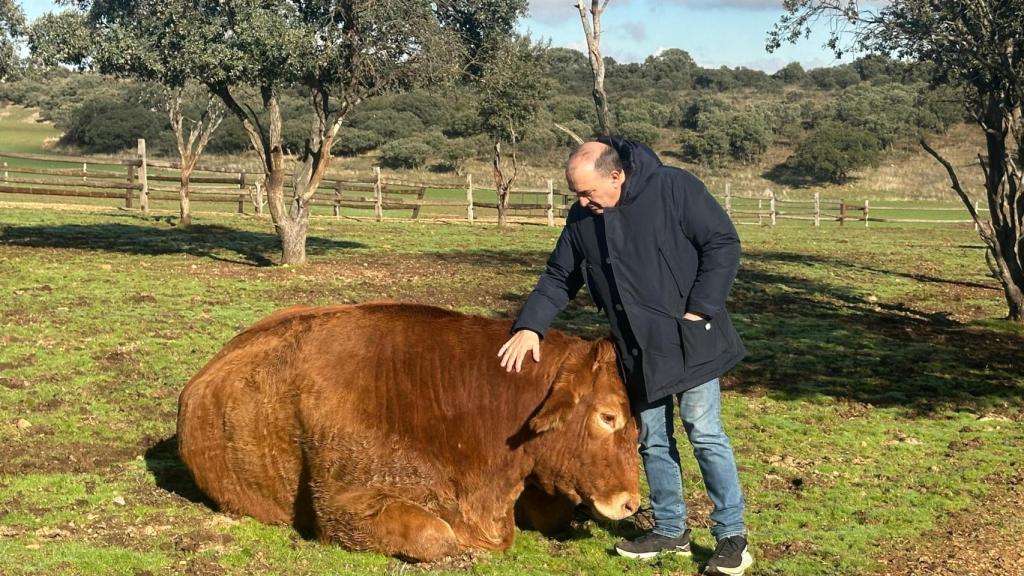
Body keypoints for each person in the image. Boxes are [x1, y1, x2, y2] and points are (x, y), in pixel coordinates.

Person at [497, 137, 752, 575]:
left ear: (616, 175)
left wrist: (700, 308)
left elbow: (722, 243)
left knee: (704, 433)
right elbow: (560, 274)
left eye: (588, 192)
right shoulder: (583, 216)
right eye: (575, 193)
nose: (581, 201)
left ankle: (732, 537)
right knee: (652, 439)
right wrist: (530, 325)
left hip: (690, 338)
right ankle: (671, 528)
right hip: (633, 348)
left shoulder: (674, 188)